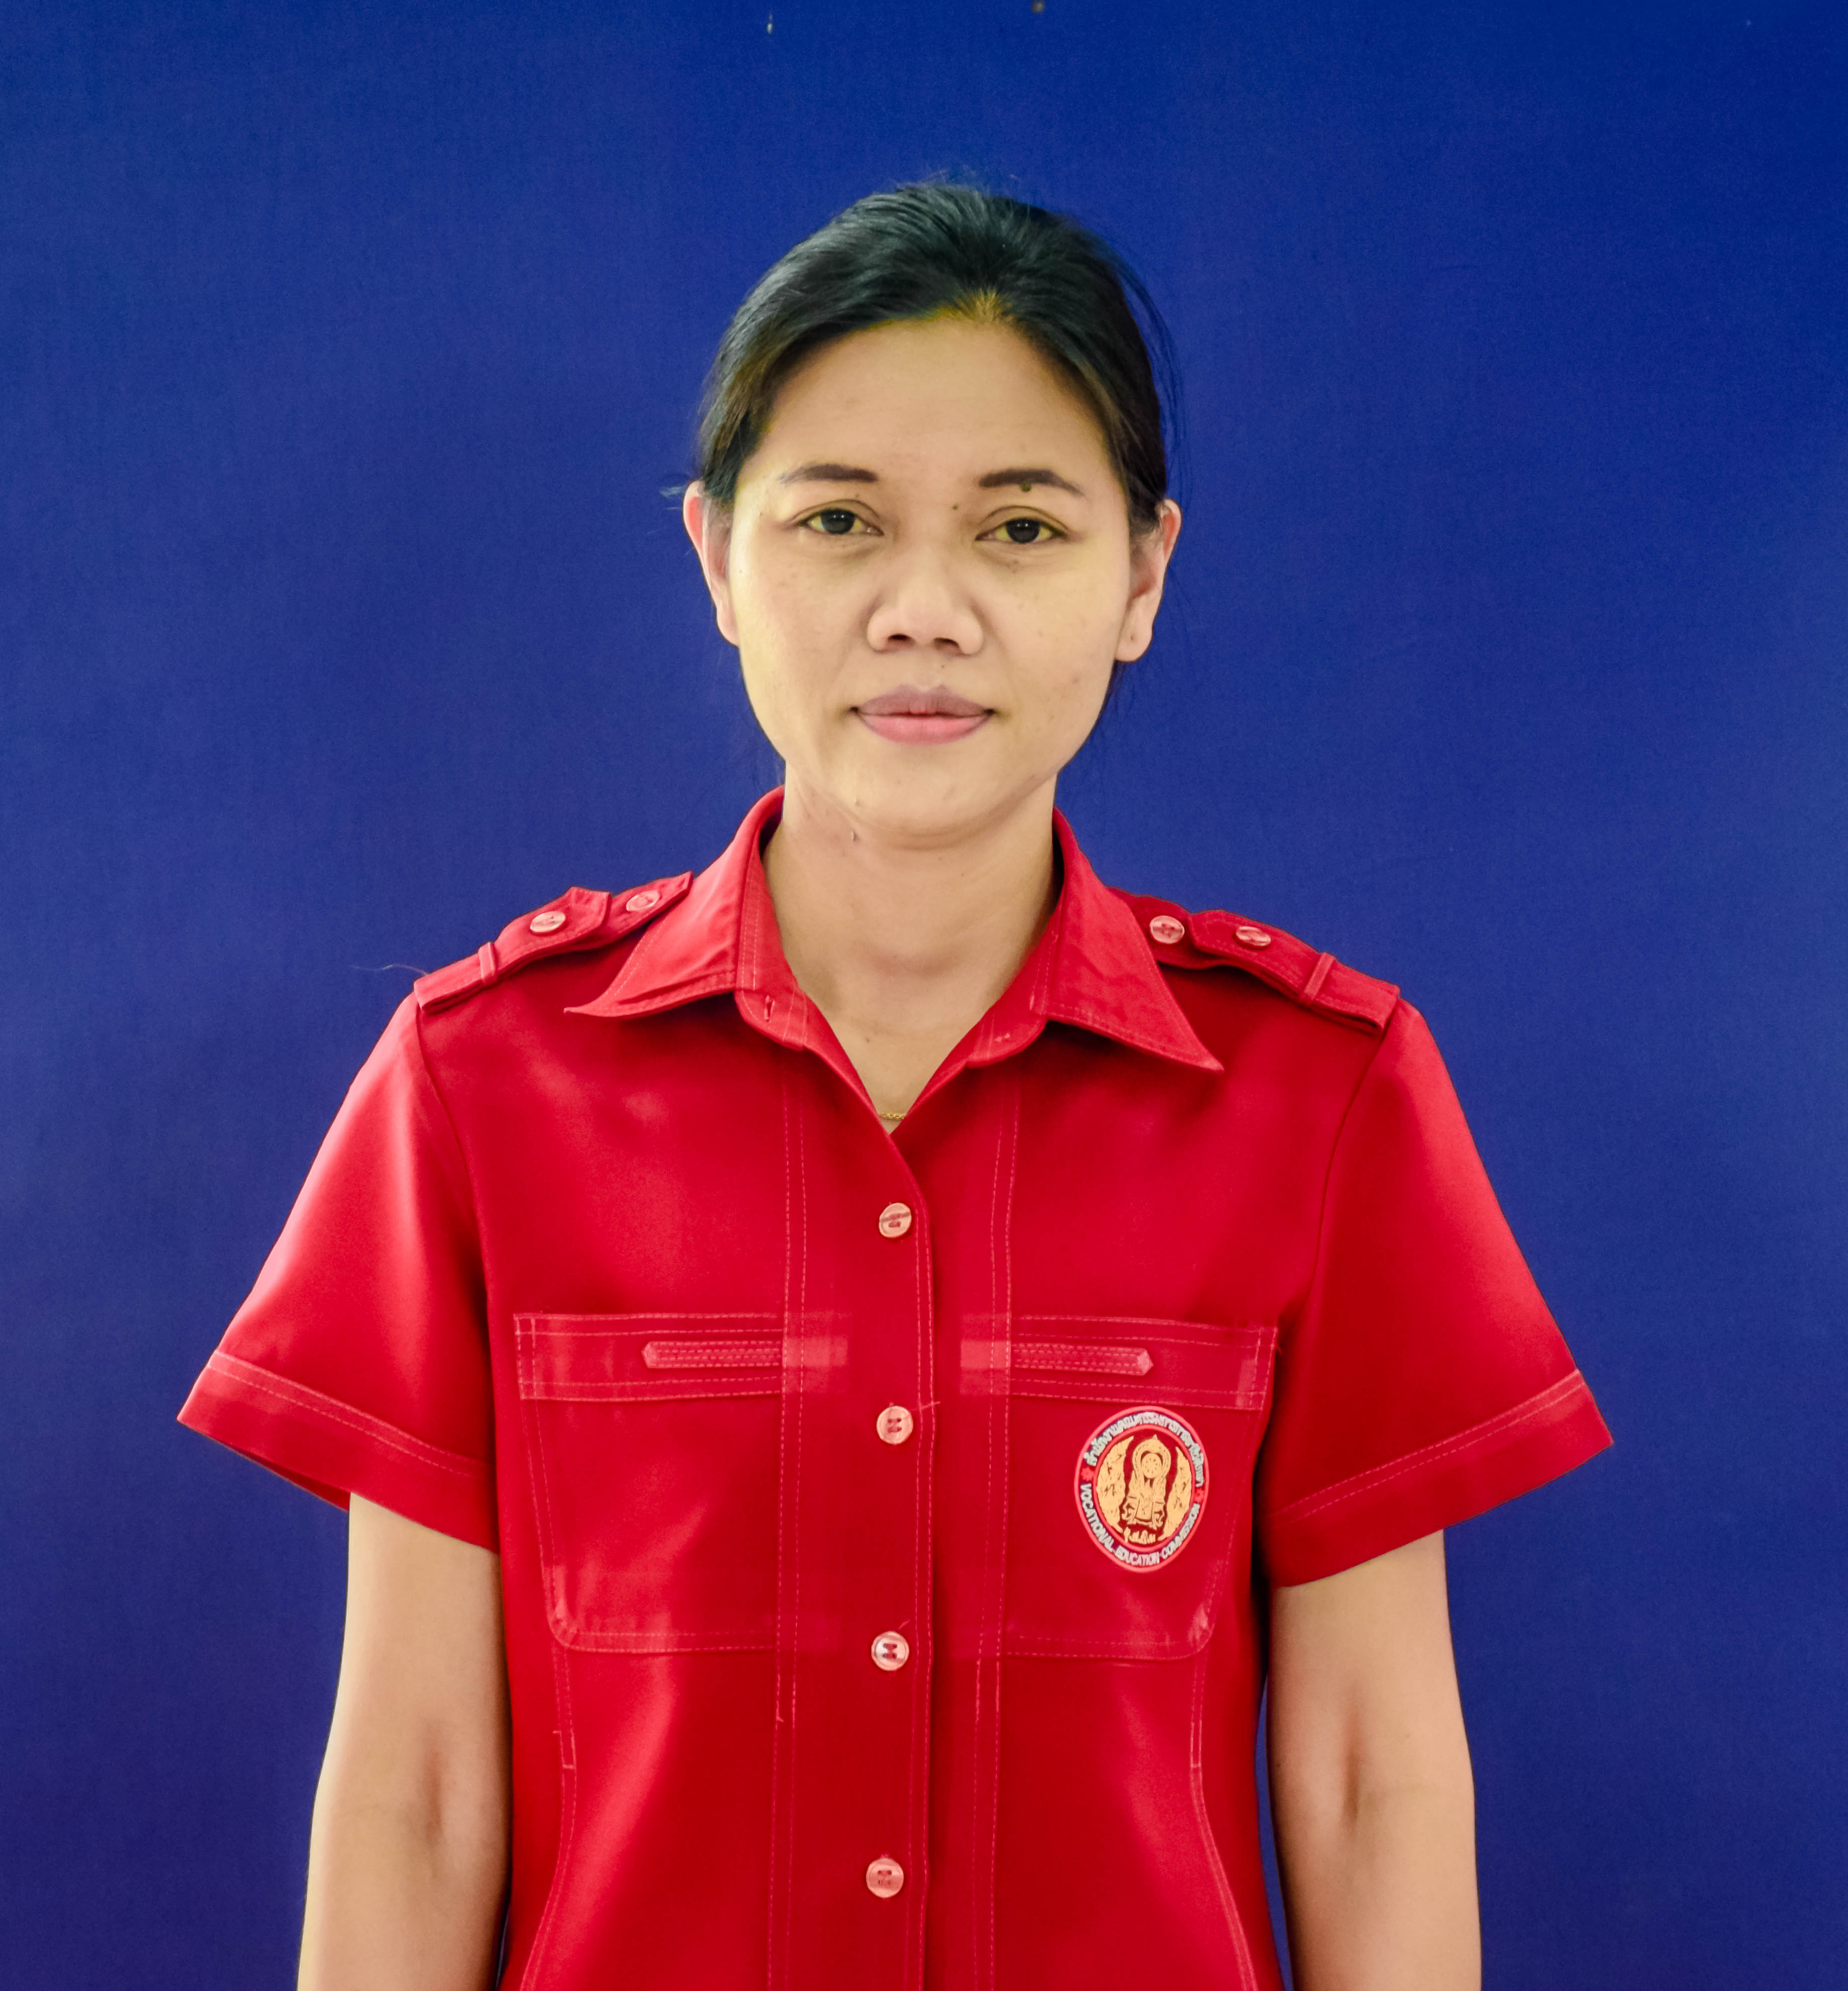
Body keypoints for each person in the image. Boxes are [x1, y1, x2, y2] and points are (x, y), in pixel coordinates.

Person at [180, 183, 1610, 1991]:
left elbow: (1366, 1781)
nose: (923, 612)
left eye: (1021, 527)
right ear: (717, 558)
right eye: (840, 520)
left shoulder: (1318, 1097)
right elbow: (416, 1790)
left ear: (1144, 576)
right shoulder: (484, 1086)